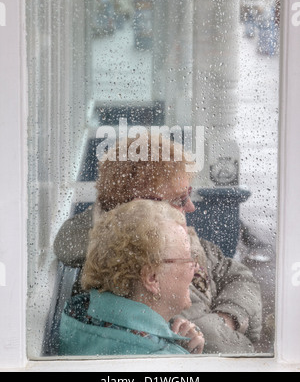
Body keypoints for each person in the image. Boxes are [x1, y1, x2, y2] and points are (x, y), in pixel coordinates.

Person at [54, 133, 262, 354]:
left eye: (189, 194)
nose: (191, 207)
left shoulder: (170, 236)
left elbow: (237, 275)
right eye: (181, 199)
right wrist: (214, 332)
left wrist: (227, 318)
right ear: (140, 206)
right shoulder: (134, 275)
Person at [59, 200, 205, 356]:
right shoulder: (161, 359)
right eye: (188, 260)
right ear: (152, 278)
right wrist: (186, 360)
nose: (196, 268)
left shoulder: (78, 314)